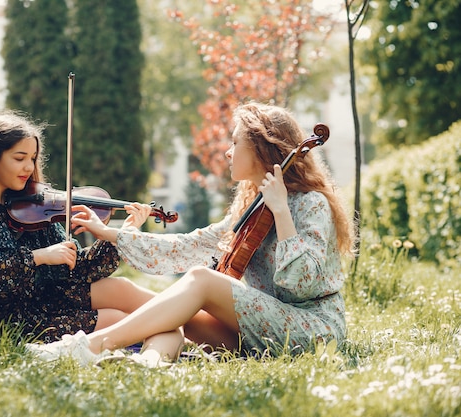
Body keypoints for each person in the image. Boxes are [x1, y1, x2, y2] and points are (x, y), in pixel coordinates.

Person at [28, 101, 355, 366]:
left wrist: (282, 210)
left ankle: (86, 348)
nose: (228, 151)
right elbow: (188, 245)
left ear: (262, 149)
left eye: (235, 142)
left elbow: (300, 287)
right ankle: (151, 363)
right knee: (168, 308)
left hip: (311, 331)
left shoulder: (310, 204)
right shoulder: (251, 206)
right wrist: (110, 233)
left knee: (200, 279)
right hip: (262, 330)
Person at [0, 111, 156, 347]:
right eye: (19, 158)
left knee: (120, 289)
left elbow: (75, 269)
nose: (29, 167)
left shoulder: (32, 208)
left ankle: (195, 319)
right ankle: (173, 342)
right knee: (118, 319)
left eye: (32, 158)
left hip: (39, 304)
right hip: (0, 326)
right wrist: (37, 257)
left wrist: (118, 235)